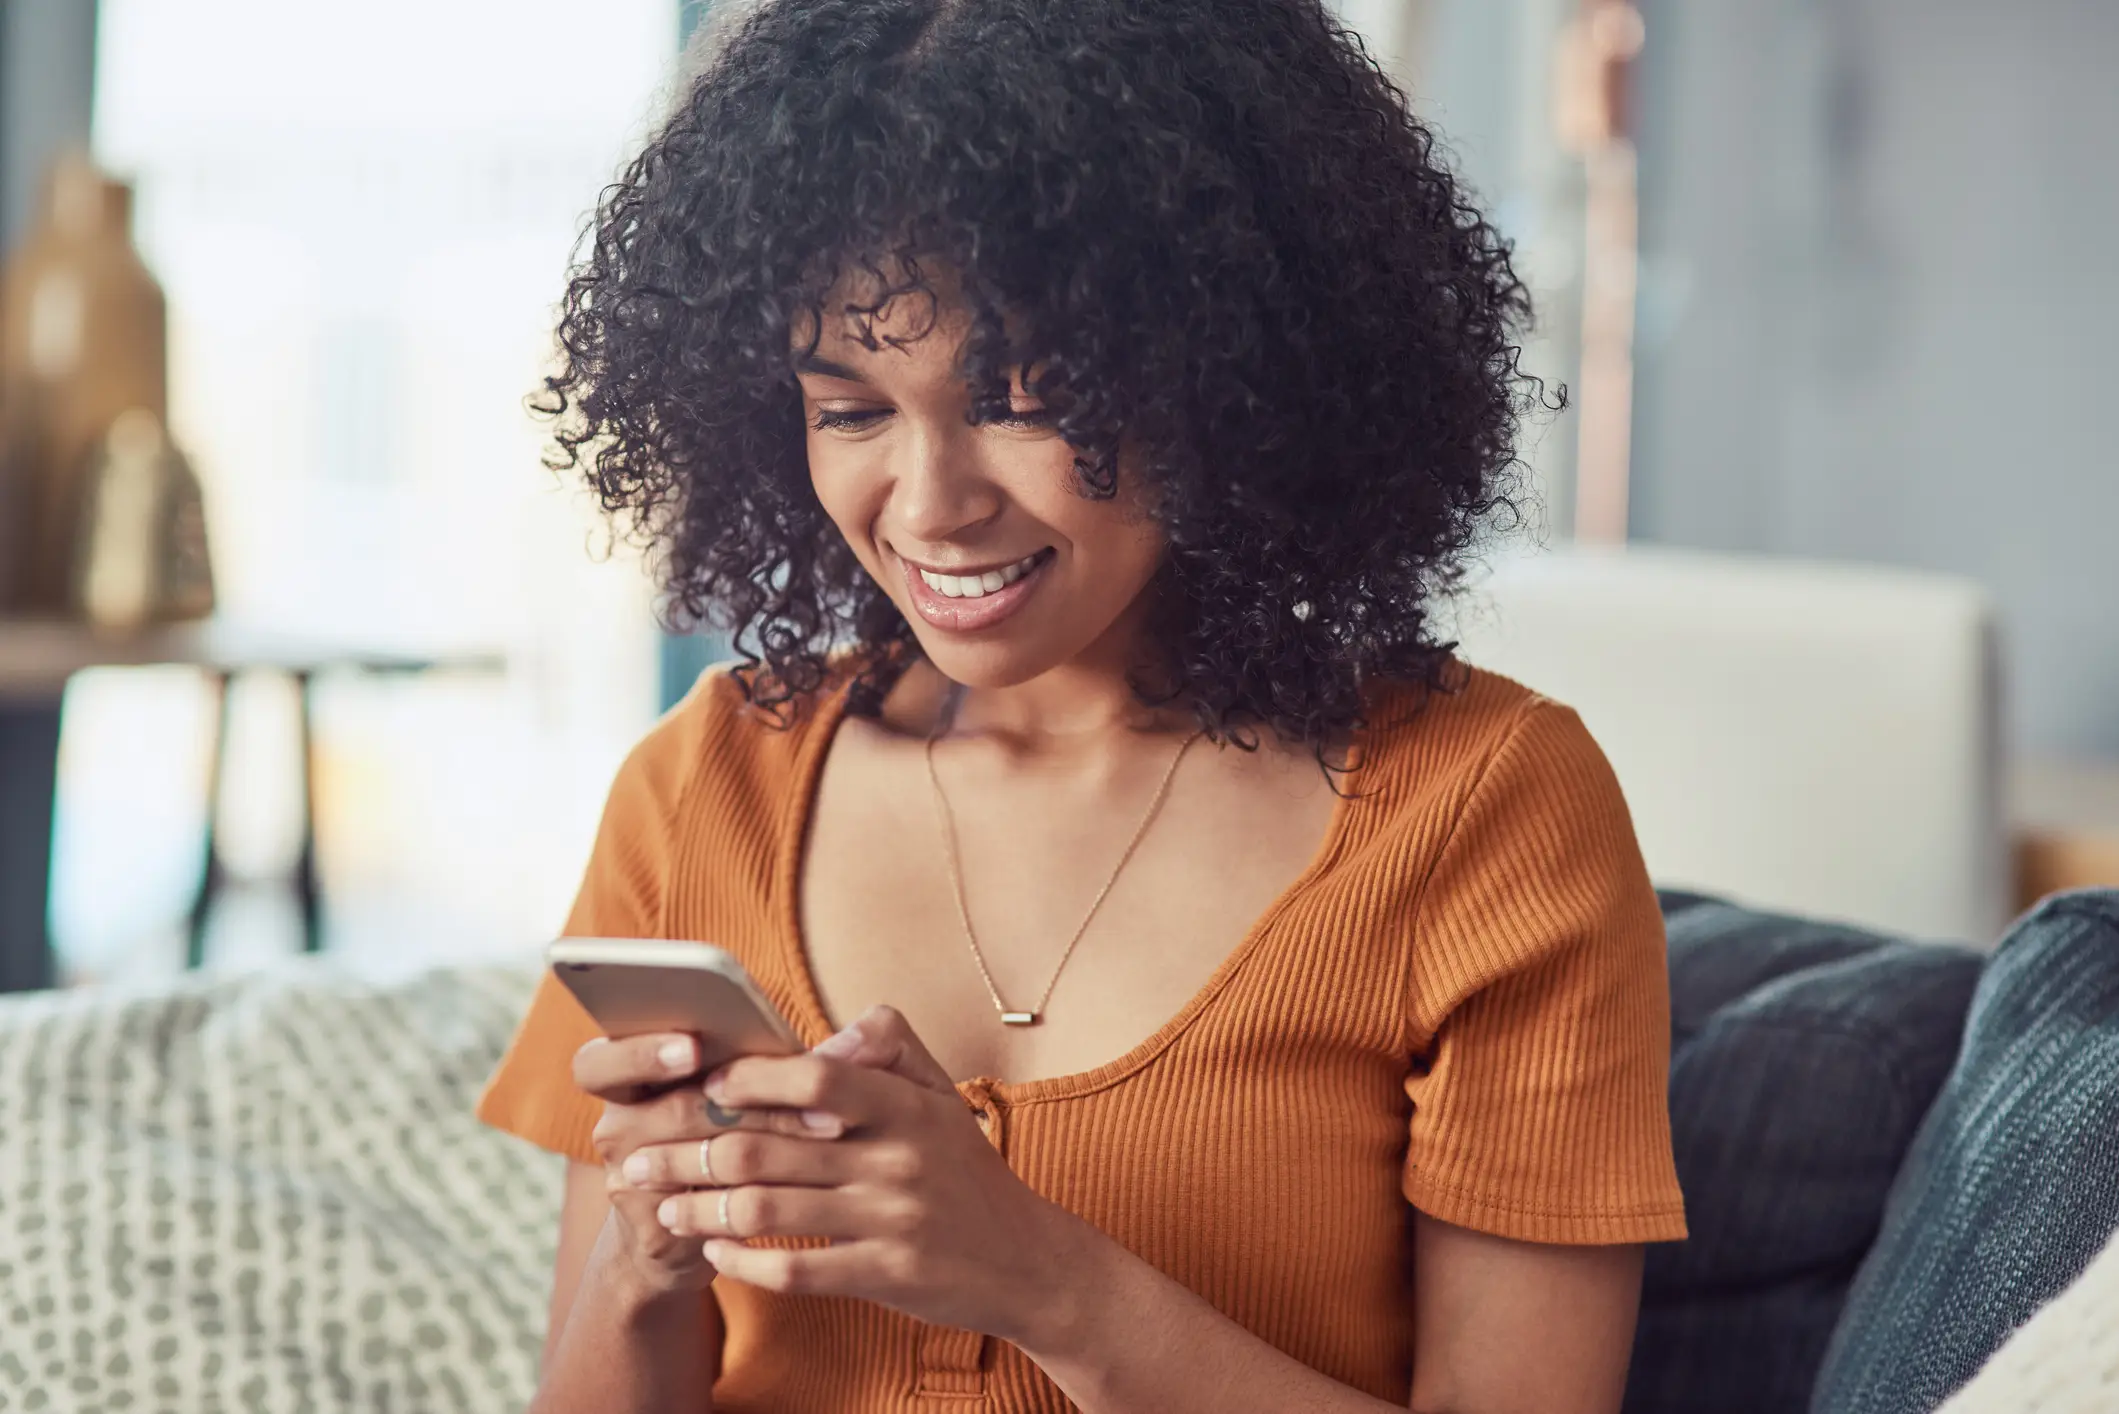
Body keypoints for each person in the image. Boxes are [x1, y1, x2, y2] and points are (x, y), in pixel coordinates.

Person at [475, 1, 1687, 1409]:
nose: (929, 505)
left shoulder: (1484, 810)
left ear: (1228, 372)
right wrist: (645, 1251)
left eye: (1022, 396)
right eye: (851, 409)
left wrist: (1040, 1277)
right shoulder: (704, 787)